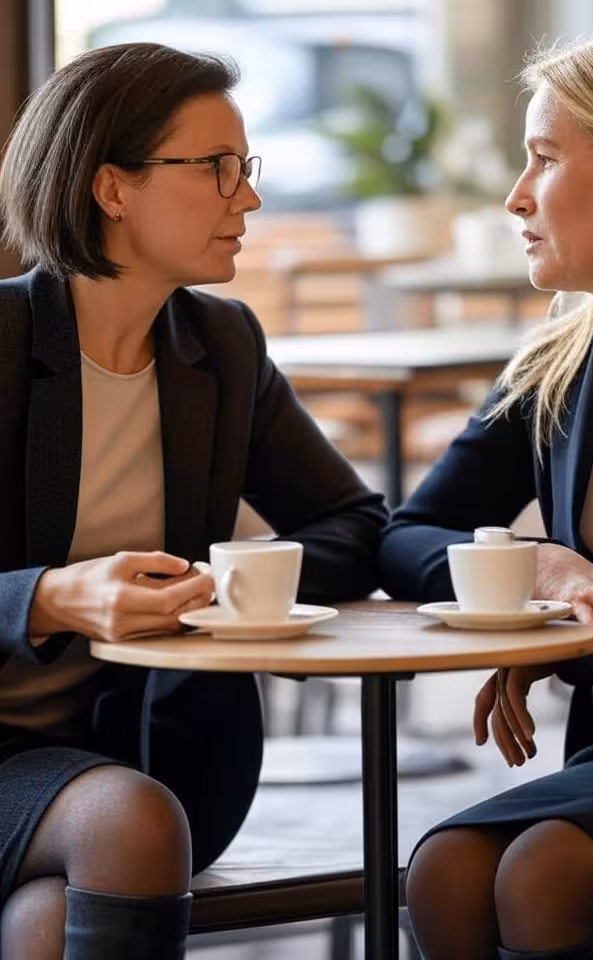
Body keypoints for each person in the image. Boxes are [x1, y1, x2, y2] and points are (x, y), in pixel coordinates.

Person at [0, 42, 387, 959]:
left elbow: (353, 525)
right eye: (215, 169)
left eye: (242, 169)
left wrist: (212, 586)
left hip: (141, 759)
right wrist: (51, 596)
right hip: (94, 797)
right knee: (122, 835)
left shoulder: (220, 345)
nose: (245, 197)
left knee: (65, 908)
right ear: (112, 188)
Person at [378, 28, 593, 960]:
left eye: (544, 158)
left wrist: (565, 641)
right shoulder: (561, 365)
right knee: (441, 867)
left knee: (542, 871)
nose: (515, 197)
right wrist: (539, 570)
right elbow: (406, 535)